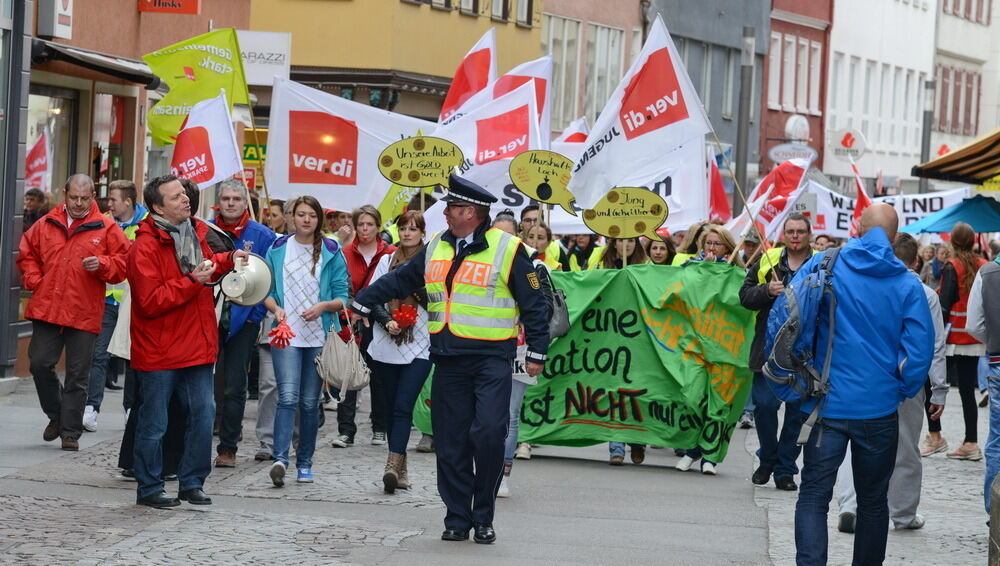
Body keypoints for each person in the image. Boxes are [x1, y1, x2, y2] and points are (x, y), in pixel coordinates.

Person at [350, 174, 549, 544]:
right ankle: (457, 517)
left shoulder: (508, 248)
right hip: (448, 359)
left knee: (489, 434)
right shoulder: (437, 246)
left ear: (471, 212)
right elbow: (402, 279)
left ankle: (483, 514)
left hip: (491, 358)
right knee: (452, 442)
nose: (446, 213)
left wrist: (537, 349)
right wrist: (362, 299)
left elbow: (535, 301)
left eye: (452, 207)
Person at [786, 203, 933, 566]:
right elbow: (918, 354)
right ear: (895, 238)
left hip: (826, 402)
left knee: (815, 494)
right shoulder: (906, 284)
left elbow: (791, 317)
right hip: (879, 409)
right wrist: (898, 389)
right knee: (872, 501)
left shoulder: (826, 265)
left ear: (856, 228)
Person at [129, 174, 246, 508]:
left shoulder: (196, 231)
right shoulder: (144, 246)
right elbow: (150, 302)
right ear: (157, 207)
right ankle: (149, 487)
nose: (185, 200)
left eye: (185, 194)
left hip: (196, 344)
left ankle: (192, 483)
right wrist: (192, 281)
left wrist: (231, 260)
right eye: (176, 196)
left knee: (203, 415)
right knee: (154, 423)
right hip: (159, 351)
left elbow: (208, 265)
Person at [832, 232, 947, 534]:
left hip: (863, 377)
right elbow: (933, 345)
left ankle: (849, 505)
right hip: (904, 378)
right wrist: (938, 387)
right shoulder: (923, 292)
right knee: (905, 445)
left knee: (854, 442)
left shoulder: (861, 284)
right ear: (915, 260)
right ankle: (903, 512)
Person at [17, 174, 130, 451]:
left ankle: (70, 432)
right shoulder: (46, 223)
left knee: (79, 374)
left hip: (84, 308)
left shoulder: (105, 227)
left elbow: (125, 261)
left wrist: (103, 264)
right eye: (74, 197)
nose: (79, 203)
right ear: (65, 194)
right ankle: (57, 415)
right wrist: (33, 279)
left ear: (93, 196)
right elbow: (27, 253)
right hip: (48, 305)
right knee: (39, 364)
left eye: (85, 198)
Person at [263, 195, 350, 486]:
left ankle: (305, 462)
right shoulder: (277, 248)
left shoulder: (331, 249)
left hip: (317, 336)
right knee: (286, 398)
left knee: (310, 402)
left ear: (319, 219)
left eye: (311, 215)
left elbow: (343, 295)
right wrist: (275, 308)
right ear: (290, 216)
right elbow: (266, 289)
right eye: (300, 214)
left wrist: (324, 307)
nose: (306, 220)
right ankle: (280, 459)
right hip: (285, 333)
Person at [739, 213, 813, 491]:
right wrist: (767, 291)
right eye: (791, 231)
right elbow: (744, 297)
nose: (795, 236)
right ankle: (767, 459)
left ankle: (785, 470)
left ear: (809, 234)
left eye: (800, 232)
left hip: (804, 354)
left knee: (796, 414)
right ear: (784, 235)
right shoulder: (768, 260)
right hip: (767, 351)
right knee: (766, 407)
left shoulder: (819, 263)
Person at [211, 180, 276, 468]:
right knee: (204, 383)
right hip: (208, 317)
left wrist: (254, 316)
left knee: (234, 386)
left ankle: (228, 447)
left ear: (245, 202)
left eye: (237, 198)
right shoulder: (206, 231)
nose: (231, 203)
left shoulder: (262, 235)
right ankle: (197, 440)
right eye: (225, 198)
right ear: (219, 202)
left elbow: (270, 280)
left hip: (243, 320)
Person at [365, 211, 431, 493]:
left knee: (404, 405)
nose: (407, 233)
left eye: (413, 229)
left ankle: (391, 465)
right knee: (392, 408)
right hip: (387, 342)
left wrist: (413, 283)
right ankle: (401, 467)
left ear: (422, 233)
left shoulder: (431, 262)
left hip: (420, 343)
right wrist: (387, 320)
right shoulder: (385, 261)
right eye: (403, 228)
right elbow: (372, 296)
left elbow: (437, 300)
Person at [79, 180, 148, 433]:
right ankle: (91, 408)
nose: (109, 204)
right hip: (108, 298)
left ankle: (130, 408)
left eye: (114, 200)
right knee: (99, 355)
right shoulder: (104, 223)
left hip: (135, 300)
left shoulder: (146, 224)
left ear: (128, 202)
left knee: (133, 357)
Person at [334, 205, 396, 448]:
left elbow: (392, 288)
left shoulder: (390, 253)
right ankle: (346, 430)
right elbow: (341, 285)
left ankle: (379, 427)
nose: (365, 229)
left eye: (370, 224)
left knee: (378, 376)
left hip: (380, 321)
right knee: (347, 375)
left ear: (378, 227)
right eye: (361, 224)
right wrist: (354, 311)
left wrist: (373, 312)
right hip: (350, 320)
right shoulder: (345, 253)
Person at [933, 222, 986, 461]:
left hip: (953, 336)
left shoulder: (951, 266)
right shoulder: (983, 265)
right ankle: (971, 442)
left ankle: (934, 436)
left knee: (930, 385)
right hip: (974, 337)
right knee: (967, 391)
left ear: (953, 241)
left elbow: (944, 304)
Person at [966, 239, 1000, 516]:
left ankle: (995, 513)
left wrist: (993, 340)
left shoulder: (988, 273)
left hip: (999, 361)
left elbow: (973, 324)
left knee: (998, 440)